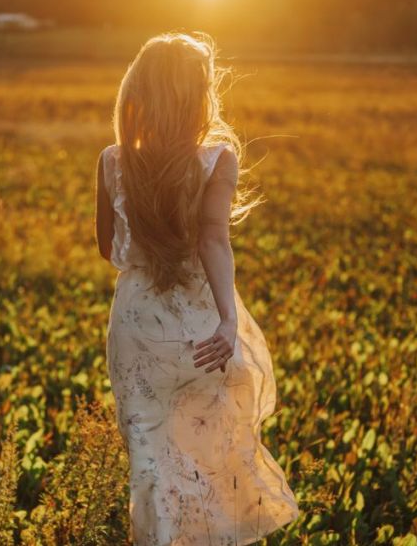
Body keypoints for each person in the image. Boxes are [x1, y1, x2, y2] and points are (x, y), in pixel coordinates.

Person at [94, 31, 300, 545]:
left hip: (136, 325)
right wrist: (228, 321)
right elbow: (214, 242)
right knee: (212, 449)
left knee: (149, 454)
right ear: (197, 97)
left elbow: (107, 249)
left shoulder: (112, 161)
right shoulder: (216, 160)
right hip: (200, 325)